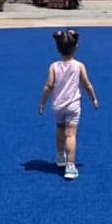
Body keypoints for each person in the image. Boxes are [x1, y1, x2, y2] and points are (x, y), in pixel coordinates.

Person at [38, 30, 99, 180]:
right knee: (71, 134)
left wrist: (42, 102)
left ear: (58, 48)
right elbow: (87, 85)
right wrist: (94, 99)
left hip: (58, 105)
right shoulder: (79, 66)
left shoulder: (54, 66)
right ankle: (70, 166)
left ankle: (60, 156)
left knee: (60, 129)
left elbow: (49, 85)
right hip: (73, 105)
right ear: (76, 47)